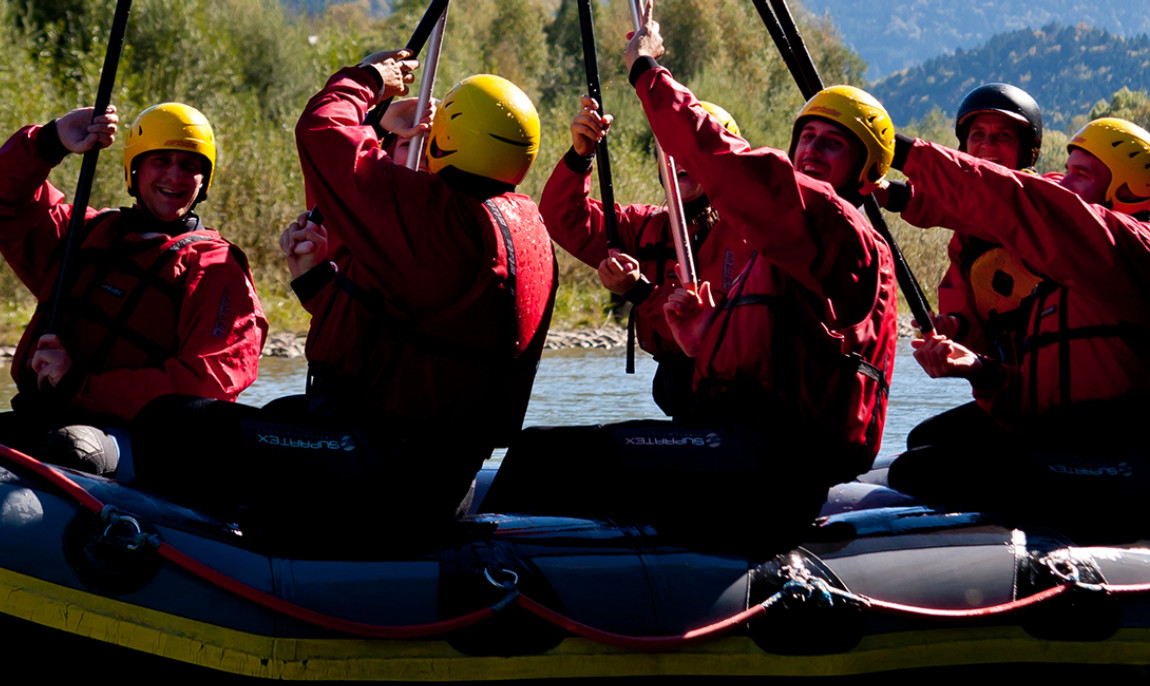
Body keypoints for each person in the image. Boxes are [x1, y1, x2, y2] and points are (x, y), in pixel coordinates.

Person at [487, 2, 897, 554]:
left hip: (773, 461)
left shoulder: (839, 230)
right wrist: (708, 338)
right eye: (808, 137)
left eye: (834, 143)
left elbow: (729, 164)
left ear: (866, 177)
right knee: (544, 450)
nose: (812, 150)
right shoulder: (782, 243)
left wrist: (647, 69)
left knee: (544, 456)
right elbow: (776, 351)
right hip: (742, 442)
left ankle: (482, 581)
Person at [134, 51, 556, 536]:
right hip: (440, 473)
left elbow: (323, 131)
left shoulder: (442, 221)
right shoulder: (520, 226)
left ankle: (193, 556)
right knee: (282, 414)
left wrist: (370, 81)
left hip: (384, 469)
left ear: (448, 139)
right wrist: (314, 279)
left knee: (167, 424)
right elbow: (397, 329)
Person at [885, 116, 1150, 533]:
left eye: (1081, 175)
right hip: (1069, 438)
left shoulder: (1130, 247)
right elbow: (1030, 402)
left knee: (923, 471)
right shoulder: (1059, 281)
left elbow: (1018, 202)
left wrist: (901, 151)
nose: (1063, 183)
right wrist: (978, 369)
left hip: (1125, 455)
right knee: (924, 447)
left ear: (1128, 191)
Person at [0, 103, 268, 475]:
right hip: (41, 415)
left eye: (190, 165)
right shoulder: (84, 234)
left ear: (204, 179)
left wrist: (79, 384)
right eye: (161, 161)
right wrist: (50, 140)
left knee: (70, 446)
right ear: (135, 168)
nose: (175, 176)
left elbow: (207, 385)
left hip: (137, 441)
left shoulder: (215, 267)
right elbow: (7, 201)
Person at [539, 95, 752, 418]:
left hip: (735, 399)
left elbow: (711, 336)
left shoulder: (745, 236)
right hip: (677, 388)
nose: (681, 159)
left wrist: (639, 291)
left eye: (694, 149)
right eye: (673, 149)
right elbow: (563, 218)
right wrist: (581, 156)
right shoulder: (643, 225)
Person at [898, 83, 1046, 449]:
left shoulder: (1051, 203)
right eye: (977, 135)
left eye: (1002, 136)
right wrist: (953, 328)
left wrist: (897, 193)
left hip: (1062, 398)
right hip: (1015, 394)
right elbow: (974, 330)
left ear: (1026, 150)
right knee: (922, 442)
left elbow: (995, 204)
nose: (987, 146)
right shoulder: (966, 242)